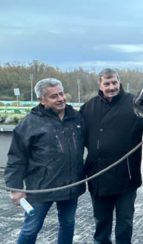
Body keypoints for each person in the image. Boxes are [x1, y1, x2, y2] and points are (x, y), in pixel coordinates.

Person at [80, 68, 143, 244]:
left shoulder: (134, 103)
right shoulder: (88, 107)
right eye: (107, 83)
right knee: (101, 223)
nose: (111, 87)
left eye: (114, 83)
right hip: (98, 176)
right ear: (100, 85)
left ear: (119, 82)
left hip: (126, 177)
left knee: (124, 223)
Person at [4, 78, 86, 244]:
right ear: (41, 100)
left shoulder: (76, 118)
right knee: (31, 229)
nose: (60, 99)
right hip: (41, 188)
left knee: (68, 224)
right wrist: (15, 188)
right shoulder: (29, 123)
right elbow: (16, 158)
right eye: (54, 96)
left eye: (61, 94)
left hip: (70, 186)